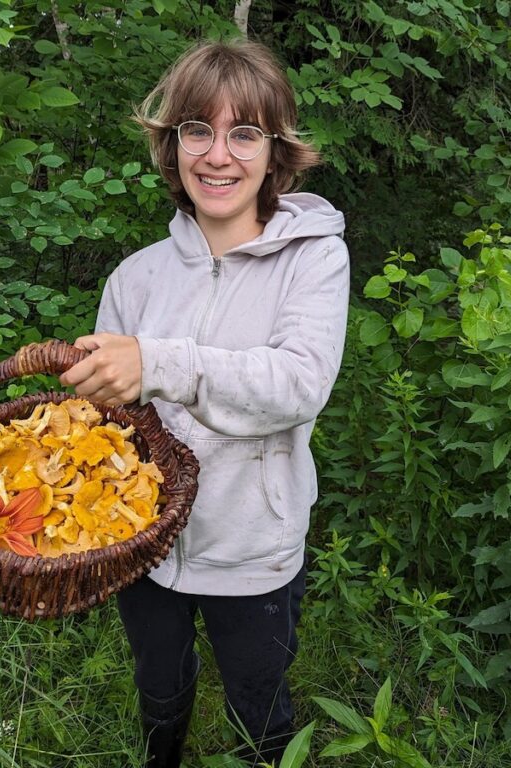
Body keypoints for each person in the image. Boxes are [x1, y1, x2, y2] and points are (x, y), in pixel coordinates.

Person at [59, 38, 349, 768]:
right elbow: (112, 428)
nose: (218, 155)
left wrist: (159, 363)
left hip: (255, 548)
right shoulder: (137, 277)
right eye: (198, 130)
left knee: (258, 698)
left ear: (275, 151)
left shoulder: (314, 258)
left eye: (244, 133)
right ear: (173, 144)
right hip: (146, 550)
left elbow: (296, 384)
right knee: (159, 684)